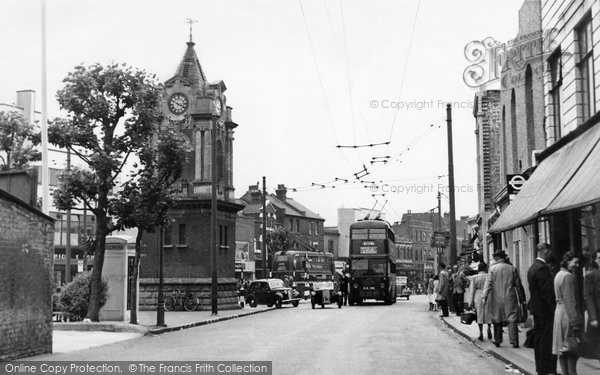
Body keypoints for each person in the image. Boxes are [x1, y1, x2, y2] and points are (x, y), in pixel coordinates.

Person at [482, 250, 526, 348]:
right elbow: (518, 285)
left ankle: (497, 340)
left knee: (497, 318)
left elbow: (488, 283)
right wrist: (522, 298)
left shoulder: (492, 269)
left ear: (496, 258)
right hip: (510, 296)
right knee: (512, 318)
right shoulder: (512, 268)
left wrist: (484, 296)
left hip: (496, 297)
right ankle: (514, 341)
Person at [527, 242, 558, 375]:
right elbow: (547, 293)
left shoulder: (533, 267)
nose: (551, 254)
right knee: (546, 340)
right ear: (544, 251)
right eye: (549, 251)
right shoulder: (542, 268)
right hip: (545, 311)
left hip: (538, 310)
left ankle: (541, 369)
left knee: (540, 339)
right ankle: (546, 369)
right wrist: (554, 310)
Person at [552, 251, 582, 375]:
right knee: (572, 350)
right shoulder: (568, 277)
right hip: (567, 315)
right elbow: (571, 301)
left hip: (559, 313)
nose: (577, 265)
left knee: (563, 350)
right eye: (575, 262)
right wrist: (575, 324)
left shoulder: (559, 274)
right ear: (567, 261)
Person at [468, 262, 492, 341]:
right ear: (486, 268)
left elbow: (472, 290)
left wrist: (470, 302)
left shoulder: (475, 277)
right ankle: (489, 328)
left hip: (478, 296)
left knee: (479, 314)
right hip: (488, 295)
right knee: (489, 313)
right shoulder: (489, 276)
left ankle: (481, 332)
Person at [583, 249, 600, 361]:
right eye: (599, 258)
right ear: (595, 261)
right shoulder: (591, 277)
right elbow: (588, 298)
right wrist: (593, 317)